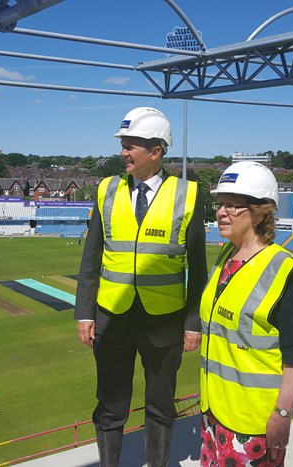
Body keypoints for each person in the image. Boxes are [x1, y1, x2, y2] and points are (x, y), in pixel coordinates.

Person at [74, 106, 207, 467]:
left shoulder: (189, 194)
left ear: (156, 151)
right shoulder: (106, 189)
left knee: (162, 405)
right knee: (110, 405)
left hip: (165, 321)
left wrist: (193, 322)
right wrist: (84, 314)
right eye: (123, 144)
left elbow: (198, 268)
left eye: (131, 144)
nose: (123, 152)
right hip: (111, 317)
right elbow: (91, 258)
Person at [200, 161, 293, 467]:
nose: (221, 212)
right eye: (220, 204)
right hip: (214, 413)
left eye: (232, 206)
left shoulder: (283, 270)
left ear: (259, 212)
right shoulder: (226, 256)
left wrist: (282, 414)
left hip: (253, 424)